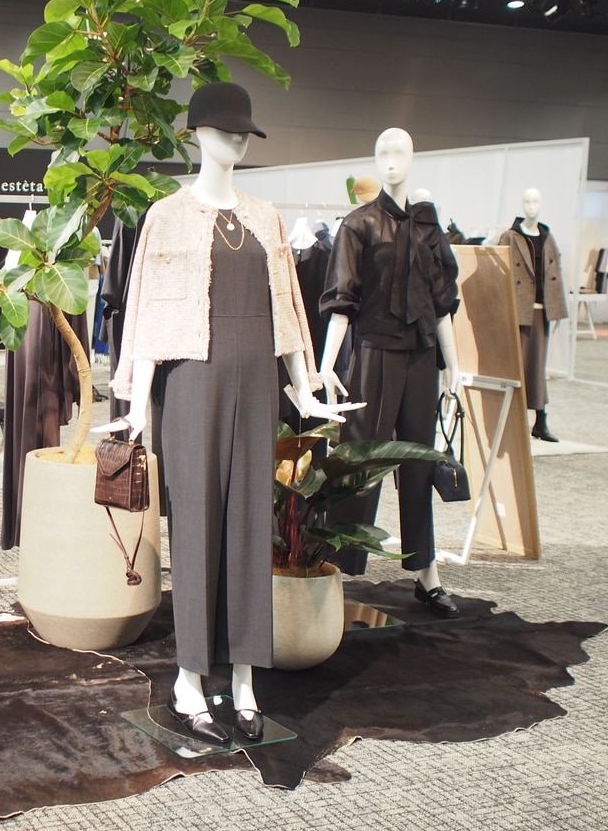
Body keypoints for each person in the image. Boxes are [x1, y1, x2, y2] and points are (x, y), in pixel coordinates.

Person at [96, 82, 360, 747]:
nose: (238, 139)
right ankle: (189, 679)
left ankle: (243, 679)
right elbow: (147, 312)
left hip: (257, 385)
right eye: (225, 129)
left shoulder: (266, 216)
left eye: (244, 131)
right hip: (193, 385)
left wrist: (306, 390)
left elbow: (288, 309)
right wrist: (135, 403)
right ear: (197, 134)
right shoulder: (166, 215)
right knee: (196, 530)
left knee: (250, 528)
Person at [318, 128, 463, 618]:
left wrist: (454, 364)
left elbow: (442, 302)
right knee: (360, 462)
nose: (391, 160)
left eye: (399, 151)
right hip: (374, 353)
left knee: (419, 464)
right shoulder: (358, 224)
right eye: (382, 152)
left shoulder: (428, 227)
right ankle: (333, 571)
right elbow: (342, 300)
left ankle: (427, 575)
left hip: (421, 356)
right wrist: (326, 365)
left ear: (413, 157)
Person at [496, 188, 567, 441]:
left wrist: (557, 309)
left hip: (540, 310)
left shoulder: (547, 237)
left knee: (537, 366)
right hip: (518, 310)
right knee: (516, 365)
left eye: (535, 201)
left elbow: (555, 274)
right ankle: (514, 420)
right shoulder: (510, 236)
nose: (531, 206)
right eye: (527, 201)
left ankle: (540, 420)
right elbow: (498, 270)